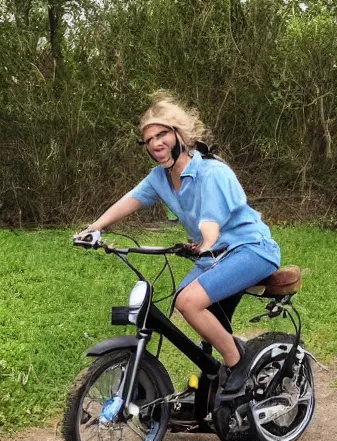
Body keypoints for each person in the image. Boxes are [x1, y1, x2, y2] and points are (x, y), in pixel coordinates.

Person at [74, 91, 281, 395]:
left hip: (250, 249)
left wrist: (206, 243)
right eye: (149, 140)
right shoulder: (160, 177)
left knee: (188, 302)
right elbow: (129, 200)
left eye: (162, 134)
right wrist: (93, 228)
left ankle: (235, 361)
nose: (156, 143)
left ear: (179, 135)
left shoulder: (212, 173)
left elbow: (210, 223)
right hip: (215, 256)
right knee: (183, 300)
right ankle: (214, 380)